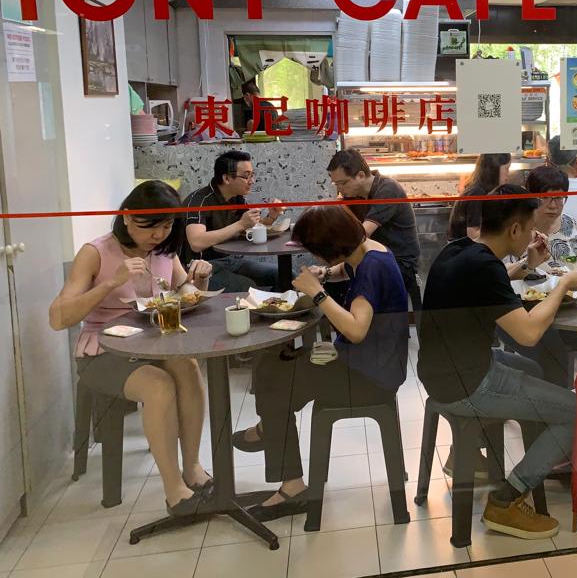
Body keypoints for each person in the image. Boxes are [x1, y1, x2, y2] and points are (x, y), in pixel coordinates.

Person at [419, 185, 577, 538]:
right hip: (466, 382)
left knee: (533, 370)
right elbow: (528, 334)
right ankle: (507, 498)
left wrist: (526, 264)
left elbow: (488, 281)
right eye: (529, 228)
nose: (534, 234)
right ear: (515, 229)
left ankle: (536, 445)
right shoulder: (483, 267)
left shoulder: (460, 251)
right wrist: (564, 285)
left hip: (441, 369)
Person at [232, 206, 410, 521]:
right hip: (370, 364)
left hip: (368, 376)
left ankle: (291, 482)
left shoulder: (372, 269)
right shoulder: (370, 251)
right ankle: (270, 429)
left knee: (274, 379)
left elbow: (356, 330)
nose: (316, 259)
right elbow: (348, 269)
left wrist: (317, 293)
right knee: (274, 364)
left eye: (317, 255)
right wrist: (327, 274)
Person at [49, 181, 215, 516]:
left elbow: (185, 293)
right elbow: (58, 317)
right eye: (149, 226)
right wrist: (112, 281)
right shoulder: (95, 252)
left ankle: (192, 467)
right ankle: (174, 490)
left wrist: (200, 278)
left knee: (188, 366)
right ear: (126, 217)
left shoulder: (165, 249)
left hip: (153, 345)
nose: (158, 235)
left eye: (167, 226)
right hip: (103, 351)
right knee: (158, 385)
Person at [498, 165, 577, 451]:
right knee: (552, 355)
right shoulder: (516, 227)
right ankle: (554, 431)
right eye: (546, 198)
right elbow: (499, 272)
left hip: (568, 308)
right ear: (532, 196)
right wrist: (527, 264)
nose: (554, 205)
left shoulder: (568, 223)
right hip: (525, 313)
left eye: (560, 198)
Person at [328, 149, 422, 311]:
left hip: (400, 263)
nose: (339, 189)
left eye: (342, 183)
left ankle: (364, 330)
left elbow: (361, 235)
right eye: (335, 184)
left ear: (361, 175)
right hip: (375, 257)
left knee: (348, 284)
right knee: (332, 286)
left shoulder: (387, 189)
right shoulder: (356, 195)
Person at [181, 150, 283, 292]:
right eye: (246, 176)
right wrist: (240, 224)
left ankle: (281, 312)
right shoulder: (200, 201)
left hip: (231, 261)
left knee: (286, 276)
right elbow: (196, 242)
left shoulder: (237, 198)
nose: (252, 181)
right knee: (248, 288)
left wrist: (271, 216)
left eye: (252, 175)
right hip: (201, 269)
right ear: (227, 178)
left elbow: (250, 230)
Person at [448, 153, 511, 241]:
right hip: (462, 250)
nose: (508, 173)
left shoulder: (483, 190)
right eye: (507, 169)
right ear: (494, 170)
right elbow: (473, 234)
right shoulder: (477, 193)